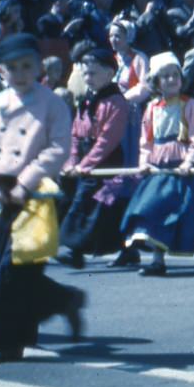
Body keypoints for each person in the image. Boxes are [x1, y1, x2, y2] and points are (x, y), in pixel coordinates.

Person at [0, 32, 85, 365]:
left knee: (15, 269)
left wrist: (25, 182)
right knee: (15, 269)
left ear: (38, 66)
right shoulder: (0, 105)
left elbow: (57, 148)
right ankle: (61, 303)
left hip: (37, 194)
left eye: (27, 65)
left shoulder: (52, 103)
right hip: (4, 192)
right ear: (1, 70)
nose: (21, 73)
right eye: (12, 67)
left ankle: (4, 344)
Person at [121, 53, 194, 276]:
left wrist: (190, 160)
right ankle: (157, 259)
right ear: (156, 82)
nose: (171, 80)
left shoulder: (191, 105)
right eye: (165, 77)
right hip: (160, 169)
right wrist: (144, 161)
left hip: (184, 168)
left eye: (174, 75)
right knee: (152, 209)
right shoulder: (152, 108)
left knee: (189, 213)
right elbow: (146, 139)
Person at [56, 48, 132, 270]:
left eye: (94, 73)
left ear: (109, 74)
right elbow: (75, 133)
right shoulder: (87, 100)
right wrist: (71, 162)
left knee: (87, 201)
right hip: (83, 158)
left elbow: (108, 140)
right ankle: (127, 249)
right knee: (100, 207)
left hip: (107, 160)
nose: (88, 78)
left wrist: (85, 165)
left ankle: (74, 250)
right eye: (86, 74)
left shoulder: (117, 101)